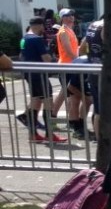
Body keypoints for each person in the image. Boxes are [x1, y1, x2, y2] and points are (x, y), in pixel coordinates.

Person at [17, 17, 65, 143]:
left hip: (29, 74)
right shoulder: (37, 39)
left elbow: (22, 55)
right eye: (43, 26)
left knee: (35, 101)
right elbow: (47, 59)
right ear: (40, 26)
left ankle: (33, 134)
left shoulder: (24, 38)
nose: (44, 29)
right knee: (48, 102)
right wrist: (56, 61)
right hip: (39, 74)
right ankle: (49, 134)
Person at [52, 9, 86, 138]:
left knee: (66, 93)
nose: (70, 17)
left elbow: (73, 49)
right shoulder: (64, 31)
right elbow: (67, 50)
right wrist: (79, 61)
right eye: (66, 16)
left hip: (70, 66)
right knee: (72, 95)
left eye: (71, 15)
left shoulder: (70, 30)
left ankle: (54, 117)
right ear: (62, 18)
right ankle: (71, 122)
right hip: (67, 66)